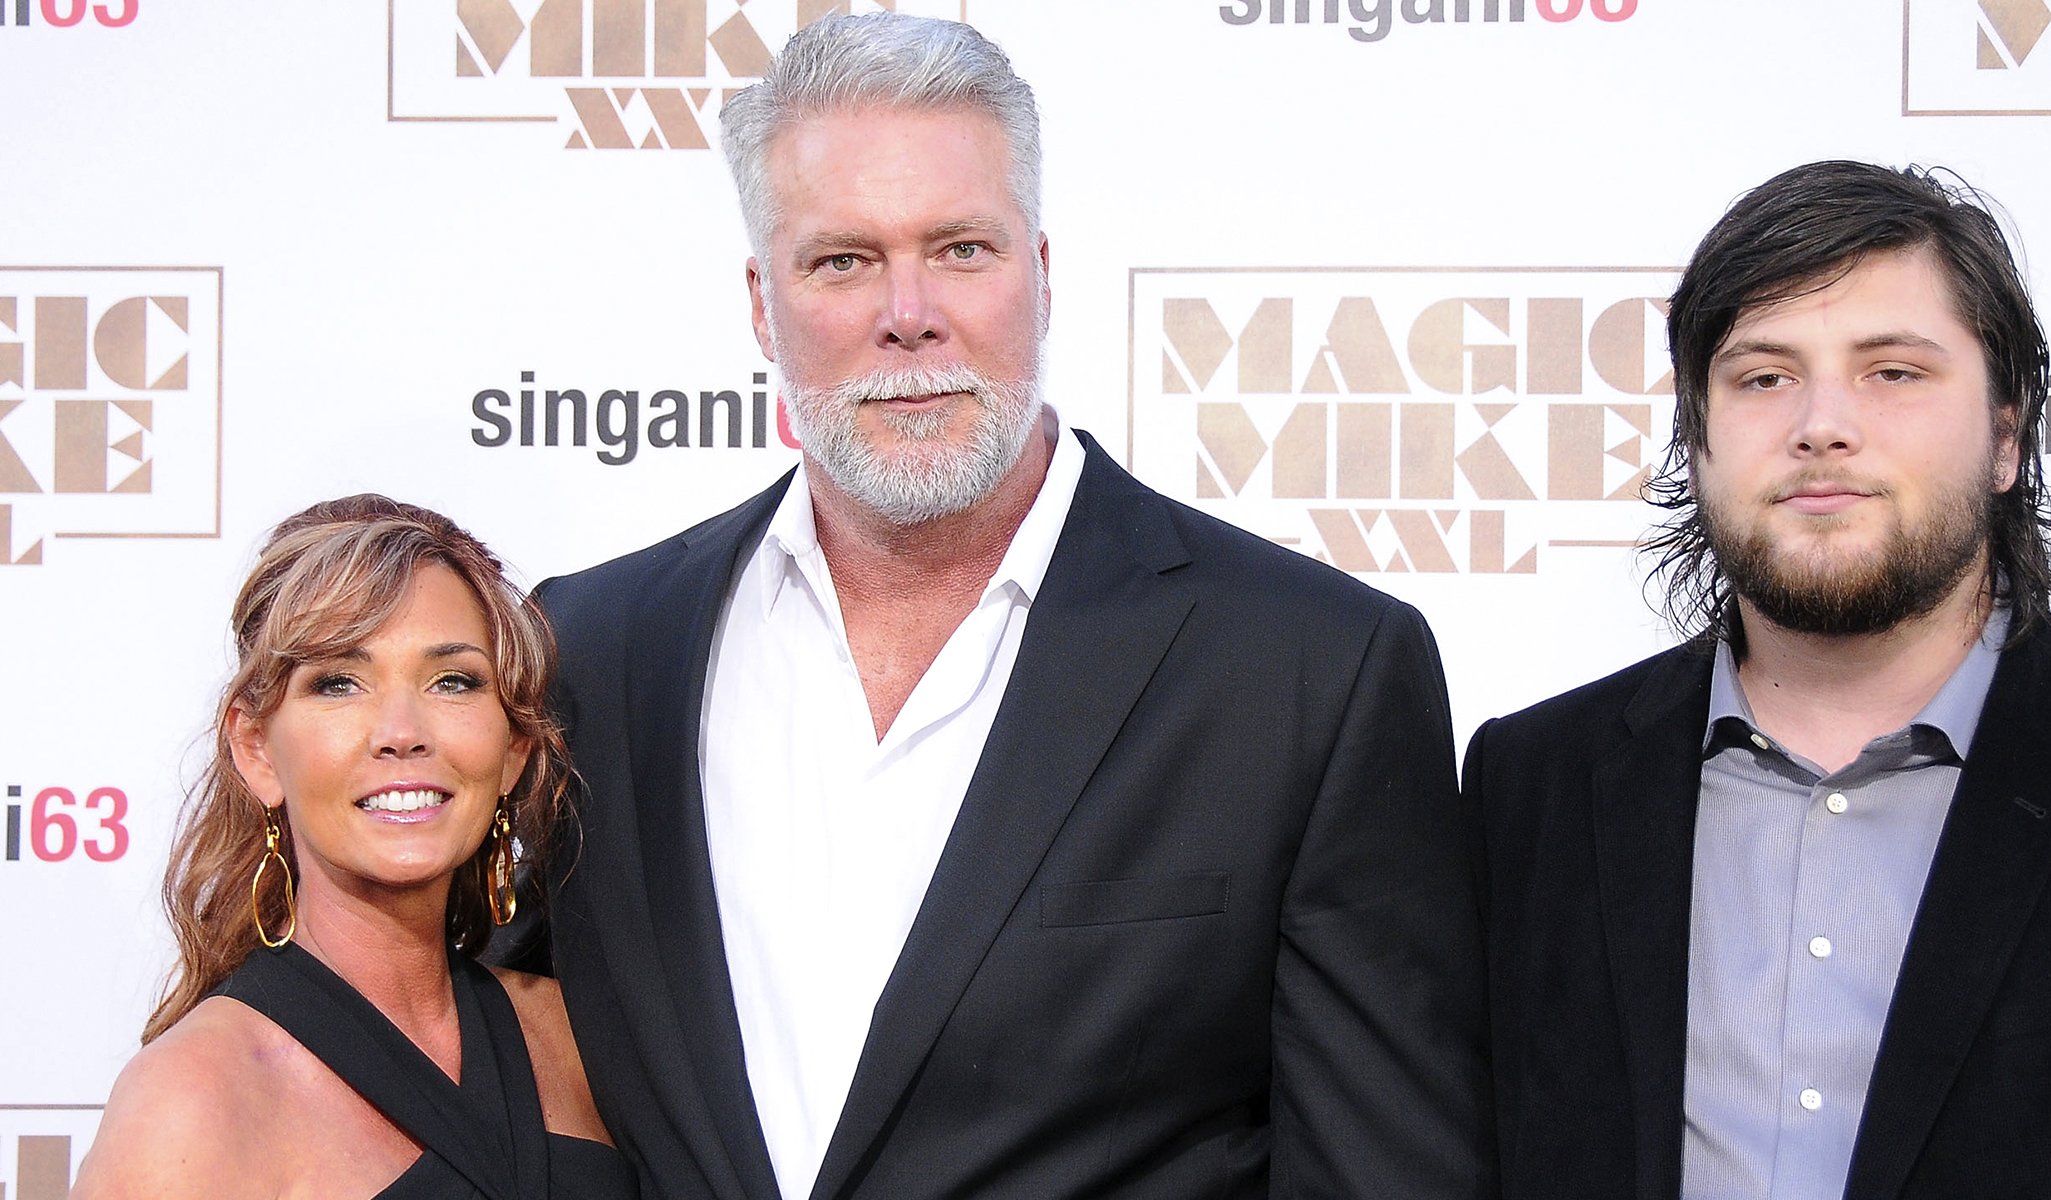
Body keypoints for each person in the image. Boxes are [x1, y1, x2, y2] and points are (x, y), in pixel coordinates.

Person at [499, 12, 1489, 1200]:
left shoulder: (1308, 669)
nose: (907, 311)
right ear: (763, 305)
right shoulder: (596, 651)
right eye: (842, 260)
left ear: (1043, 273)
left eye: (961, 249)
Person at [1469, 160, 2051, 1199]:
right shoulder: (1529, 787)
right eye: (1764, 376)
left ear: (2007, 434)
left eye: (1893, 372)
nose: (1822, 424)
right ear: (1697, 435)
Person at [73, 496, 633, 1200]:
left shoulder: (576, 1036)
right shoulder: (194, 1099)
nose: (401, 731)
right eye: (339, 683)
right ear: (257, 750)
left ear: (514, 747)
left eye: (452, 681)